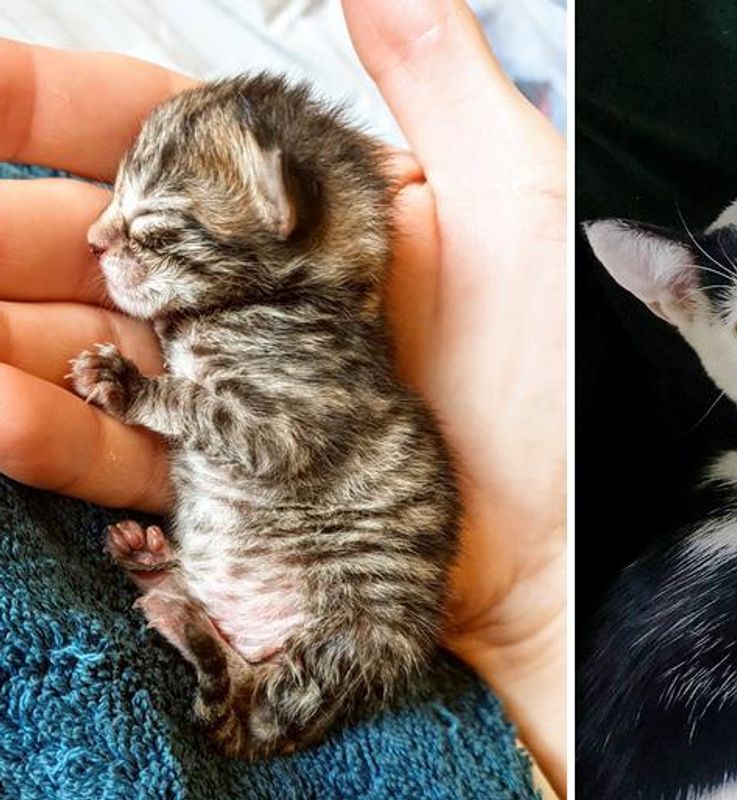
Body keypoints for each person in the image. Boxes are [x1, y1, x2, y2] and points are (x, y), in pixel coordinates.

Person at [0, 0, 566, 794]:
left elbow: (276, 439)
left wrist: (142, 397)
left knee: (301, 688)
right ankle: (209, 647)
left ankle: (223, 676)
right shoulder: (245, 306)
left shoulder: (310, 336)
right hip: (264, 563)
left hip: (340, 587)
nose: (101, 235)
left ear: (279, 219)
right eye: (120, 203)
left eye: (151, 226)